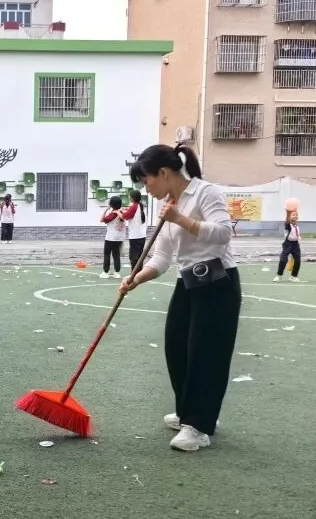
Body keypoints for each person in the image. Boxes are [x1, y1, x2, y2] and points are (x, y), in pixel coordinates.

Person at [120, 144, 239, 453]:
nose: (146, 188)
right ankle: (187, 412)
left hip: (218, 283)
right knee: (177, 347)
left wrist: (181, 219)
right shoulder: (166, 208)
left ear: (163, 173)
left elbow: (223, 232)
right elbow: (160, 259)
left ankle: (199, 426)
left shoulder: (205, 193)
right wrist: (135, 279)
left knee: (206, 355)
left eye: (147, 181)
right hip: (188, 283)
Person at [99, 196, 127, 279]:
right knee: (116, 255)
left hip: (110, 238)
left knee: (107, 254)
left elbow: (102, 220)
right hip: (119, 238)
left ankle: (105, 272)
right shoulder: (122, 212)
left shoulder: (112, 214)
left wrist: (106, 209)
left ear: (111, 204)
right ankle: (117, 273)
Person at [274, 207, 302, 283]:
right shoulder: (288, 225)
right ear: (289, 217)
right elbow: (287, 221)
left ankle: (293, 276)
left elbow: (296, 234)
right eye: (293, 215)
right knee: (283, 260)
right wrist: (287, 212)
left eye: (296, 215)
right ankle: (279, 275)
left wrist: (298, 238)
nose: (295, 216)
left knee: (298, 260)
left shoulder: (297, 226)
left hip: (295, 244)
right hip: (288, 244)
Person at [124, 189, 147, 269]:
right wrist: (126, 210)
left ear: (132, 198)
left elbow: (125, 216)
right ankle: (139, 272)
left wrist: (118, 212)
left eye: (130, 196)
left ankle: (134, 273)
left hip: (135, 236)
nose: (129, 198)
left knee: (133, 256)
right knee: (139, 256)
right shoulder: (140, 205)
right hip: (142, 235)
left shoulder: (134, 206)